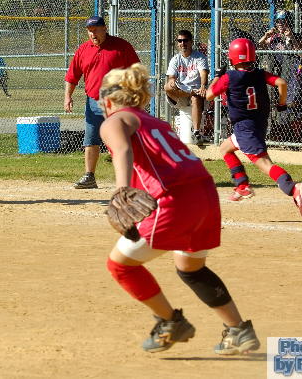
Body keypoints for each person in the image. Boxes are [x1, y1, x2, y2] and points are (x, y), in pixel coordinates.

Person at [99, 63, 260, 355]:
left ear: (108, 100)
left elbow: (122, 150)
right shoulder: (155, 122)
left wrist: (121, 192)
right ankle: (238, 330)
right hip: (205, 194)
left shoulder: (114, 120)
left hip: (175, 199)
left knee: (120, 265)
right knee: (191, 269)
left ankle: (170, 321)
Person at [206, 38, 302, 215]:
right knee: (225, 148)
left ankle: (293, 188)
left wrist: (216, 76)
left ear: (233, 58)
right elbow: (282, 83)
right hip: (258, 124)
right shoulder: (260, 74)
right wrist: (282, 103)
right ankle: (242, 186)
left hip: (244, 128)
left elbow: (209, 95)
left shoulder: (229, 77)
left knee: (265, 164)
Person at [64, 16, 140, 189]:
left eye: (96, 30)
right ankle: (89, 176)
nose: (93, 34)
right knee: (91, 138)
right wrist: (67, 96)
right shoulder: (83, 49)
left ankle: (134, 176)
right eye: (90, 31)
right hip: (93, 101)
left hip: (118, 102)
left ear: (105, 29)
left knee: (123, 140)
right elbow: (72, 76)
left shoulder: (121, 46)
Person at [258, 10, 302, 143]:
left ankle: (292, 134)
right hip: (275, 73)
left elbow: (301, 54)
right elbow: (259, 46)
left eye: (283, 21)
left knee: (289, 103)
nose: (280, 24)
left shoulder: (296, 36)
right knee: (273, 102)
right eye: (278, 21)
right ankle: (275, 132)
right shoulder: (274, 37)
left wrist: (291, 38)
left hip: (290, 75)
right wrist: (266, 36)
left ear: (289, 22)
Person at [164, 29, 209, 145]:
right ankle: (191, 93)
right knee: (167, 87)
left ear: (191, 42)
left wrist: (203, 86)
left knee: (195, 97)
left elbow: (203, 73)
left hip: (197, 92)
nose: (182, 43)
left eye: (185, 40)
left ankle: (196, 132)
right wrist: (172, 82)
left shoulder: (199, 57)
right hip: (181, 93)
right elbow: (171, 77)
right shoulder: (175, 59)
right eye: (180, 41)